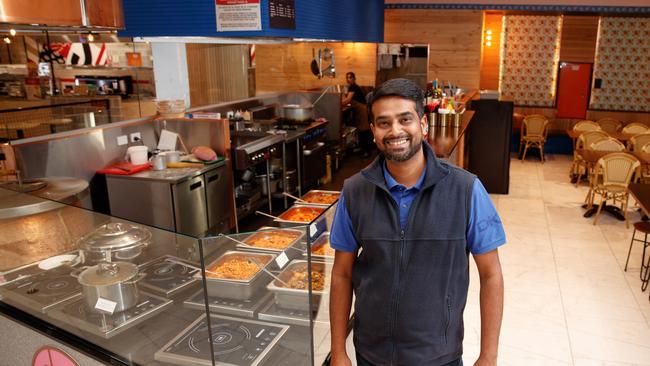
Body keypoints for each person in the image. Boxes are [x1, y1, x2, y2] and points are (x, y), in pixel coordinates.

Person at [329, 78, 505, 366]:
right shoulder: (354, 191)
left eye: (405, 119)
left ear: (423, 125)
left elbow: (491, 275)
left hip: (439, 356)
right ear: (373, 131)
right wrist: (338, 351)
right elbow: (341, 274)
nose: (395, 130)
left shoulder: (466, 190)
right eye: (384, 123)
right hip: (371, 355)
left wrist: (488, 356)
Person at [341, 72, 372, 158]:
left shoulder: (353, 87)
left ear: (354, 79)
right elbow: (346, 99)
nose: (348, 79)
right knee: (361, 130)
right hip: (360, 110)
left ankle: (367, 151)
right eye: (347, 78)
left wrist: (338, 103)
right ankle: (363, 149)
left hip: (362, 110)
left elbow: (347, 101)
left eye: (350, 77)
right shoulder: (351, 87)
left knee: (364, 130)